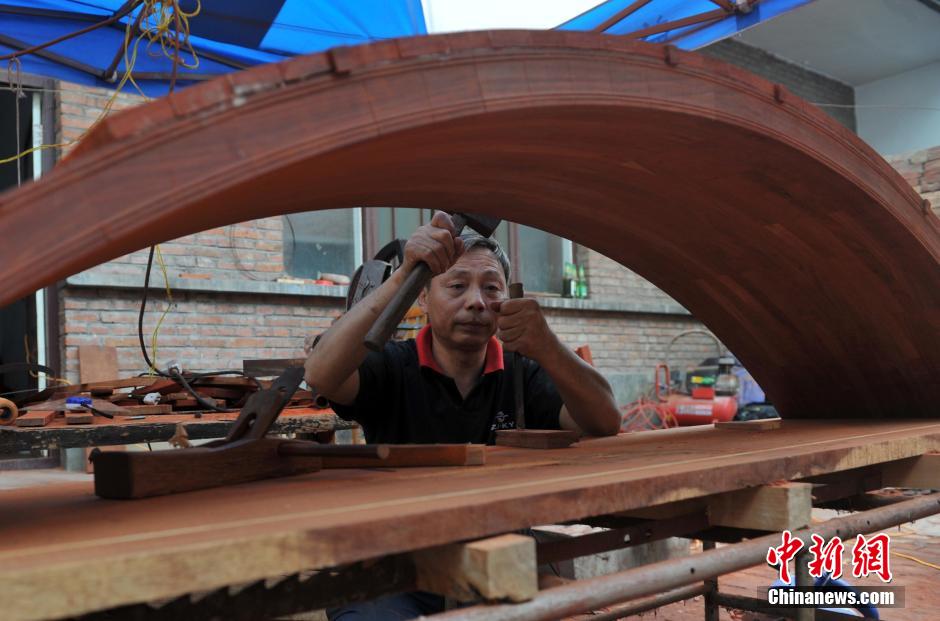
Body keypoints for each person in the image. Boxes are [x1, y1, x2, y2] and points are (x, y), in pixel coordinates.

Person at [304, 211, 621, 618]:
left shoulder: (522, 373)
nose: (476, 302)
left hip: (499, 560)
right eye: (456, 286)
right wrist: (406, 275)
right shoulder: (392, 367)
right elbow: (320, 374)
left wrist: (547, 345)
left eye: (491, 288)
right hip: (394, 567)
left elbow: (605, 420)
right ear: (423, 298)